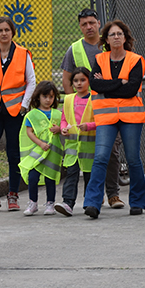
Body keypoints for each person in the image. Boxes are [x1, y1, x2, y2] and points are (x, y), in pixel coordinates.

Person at [60, 8, 126, 209]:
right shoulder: (74, 49)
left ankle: (113, 194)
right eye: (84, 24)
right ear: (80, 27)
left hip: (109, 108)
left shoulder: (109, 46)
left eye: (91, 23)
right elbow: (66, 80)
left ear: (99, 23)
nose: (88, 27)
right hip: (85, 113)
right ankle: (93, 196)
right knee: (86, 155)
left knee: (111, 152)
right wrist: (75, 105)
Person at [83, 20, 145, 219]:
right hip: (106, 116)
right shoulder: (100, 59)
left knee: (132, 159)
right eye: (112, 34)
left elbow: (131, 89)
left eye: (120, 33)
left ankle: (137, 202)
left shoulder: (136, 59)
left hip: (131, 116)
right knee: (101, 157)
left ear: (126, 37)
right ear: (106, 39)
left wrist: (108, 84)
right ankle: (92, 203)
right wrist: (120, 82)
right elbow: (95, 85)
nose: (116, 37)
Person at [0, 16, 36, 212]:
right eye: (0, 30)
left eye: (7, 30)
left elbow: (31, 81)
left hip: (14, 111)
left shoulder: (23, 53)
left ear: (13, 32)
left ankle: (13, 194)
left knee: (13, 154)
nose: (3, 33)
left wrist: (24, 104)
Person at [18, 81, 62, 216]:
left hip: (52, 153)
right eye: (45, 96)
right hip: (37, 151)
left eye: (51, 97)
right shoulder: (31, 115)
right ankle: (33, 202)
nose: (48, 100)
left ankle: (50, 203)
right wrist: (40, 143)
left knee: (50, 178)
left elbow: (64, 128)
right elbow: (29, 131)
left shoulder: (57, 114)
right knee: (33, 177)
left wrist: (59, 129)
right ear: (38, 97)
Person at [56, 67, 95, 216]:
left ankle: (90, 202)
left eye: (83, 80)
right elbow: (64, 118)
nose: (79, 83)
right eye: (76, 81)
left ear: (89, 81)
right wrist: (63, 128)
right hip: (72, 146)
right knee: (71, 173)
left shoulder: (94, 99)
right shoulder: (68, 99)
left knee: (89, 175)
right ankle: (68, 202)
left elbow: (100, 120)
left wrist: (88, 126)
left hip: (89, 145)